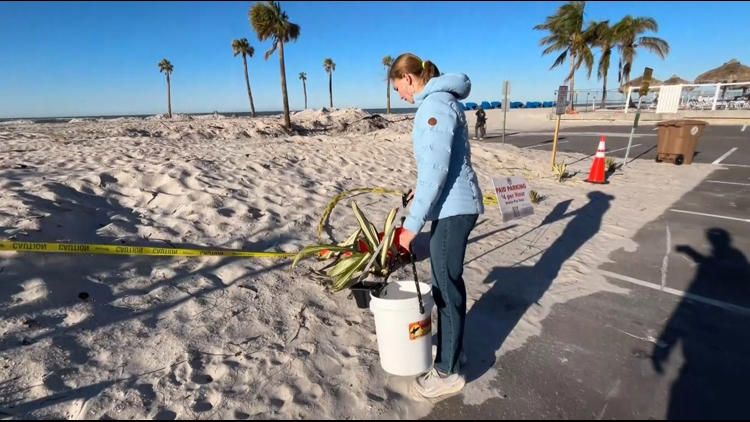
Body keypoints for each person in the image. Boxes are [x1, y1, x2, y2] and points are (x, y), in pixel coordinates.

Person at [389, 53, 484, 400]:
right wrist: (419, 191)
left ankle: (447, 372)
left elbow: (437, 172)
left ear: (410, 79)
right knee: (447, 283)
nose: (401, 96)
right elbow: (444, 163)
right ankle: (453, 354)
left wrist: (411, 226)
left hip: (454, 209)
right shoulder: (442, 102)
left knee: (445, 287)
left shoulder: (434, 106)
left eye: (400, 88)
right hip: (454, 205)